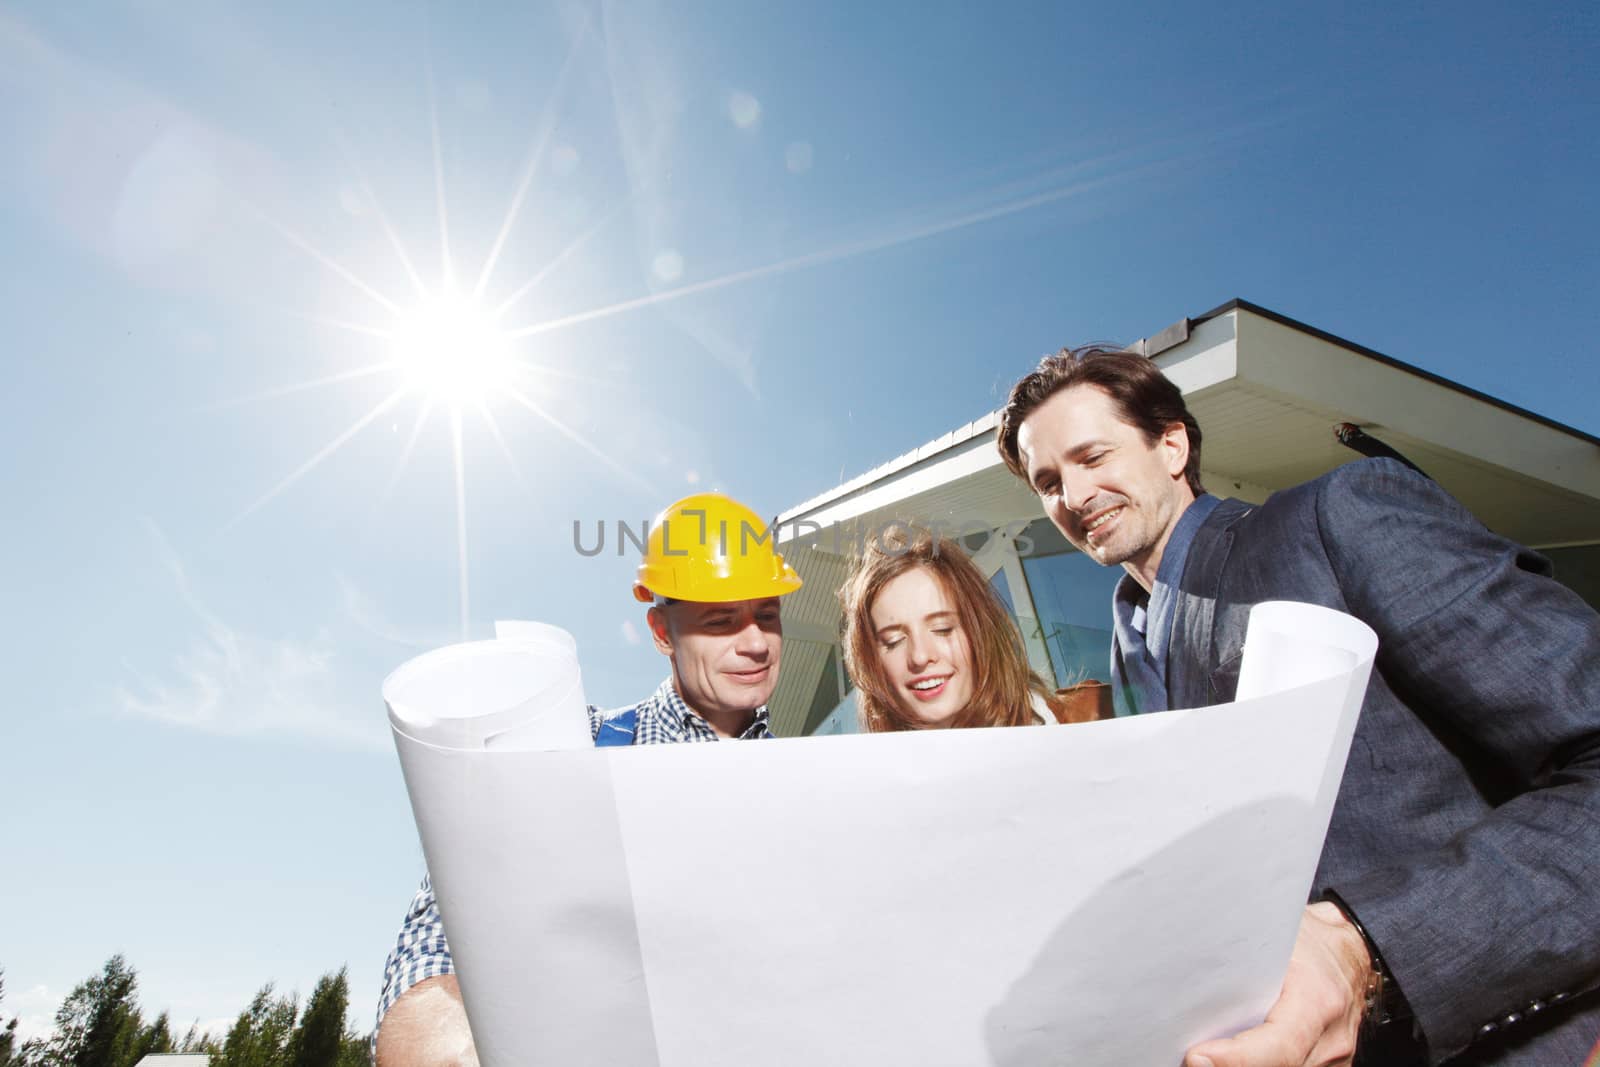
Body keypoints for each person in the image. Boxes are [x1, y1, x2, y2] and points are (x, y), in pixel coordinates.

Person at [996, 345, 1600, 1066]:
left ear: (1172, 443)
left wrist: (1360, 947)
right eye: (1049, 481)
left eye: (1092, 455)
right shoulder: (1127, 658)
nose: (1074, 492)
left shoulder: (1337, 517)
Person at [373, 492, 802, 1067]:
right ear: (661, 632)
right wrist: (443, 1037)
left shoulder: (810, 792)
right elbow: (439, 937)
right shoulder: (570, 748)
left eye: (767, 616)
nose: (754, 643)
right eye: (721, 620)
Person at [840, 528, 1111, 730]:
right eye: (894, 640)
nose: (921, 656)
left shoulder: (1098, 720)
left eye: (943, 629)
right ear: (872, 664)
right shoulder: (877, 789)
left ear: (979, 633)